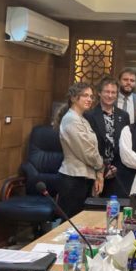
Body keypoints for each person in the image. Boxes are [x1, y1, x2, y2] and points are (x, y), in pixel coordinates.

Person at [54, 82, 104, 217]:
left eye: (91, 96)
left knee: (80, 222)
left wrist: (99, 173)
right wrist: (101, 166)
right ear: (73, 98)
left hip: (83, 178)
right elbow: (87, 152)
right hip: (73, 179)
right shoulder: (71, 119)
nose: (89, 99)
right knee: (70, 223)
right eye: (85, 95)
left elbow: (92, 148)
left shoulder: (82, 119)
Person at [84, 77, 130, 198]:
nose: (110, 95)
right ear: (99, 93)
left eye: (113, 92)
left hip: (117, 172)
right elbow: (88, 146)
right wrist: (103, 169)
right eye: (107, 92)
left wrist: (116, 167)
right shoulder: (89, 115)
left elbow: (125, 145)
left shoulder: (124, 116)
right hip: (95, 171)